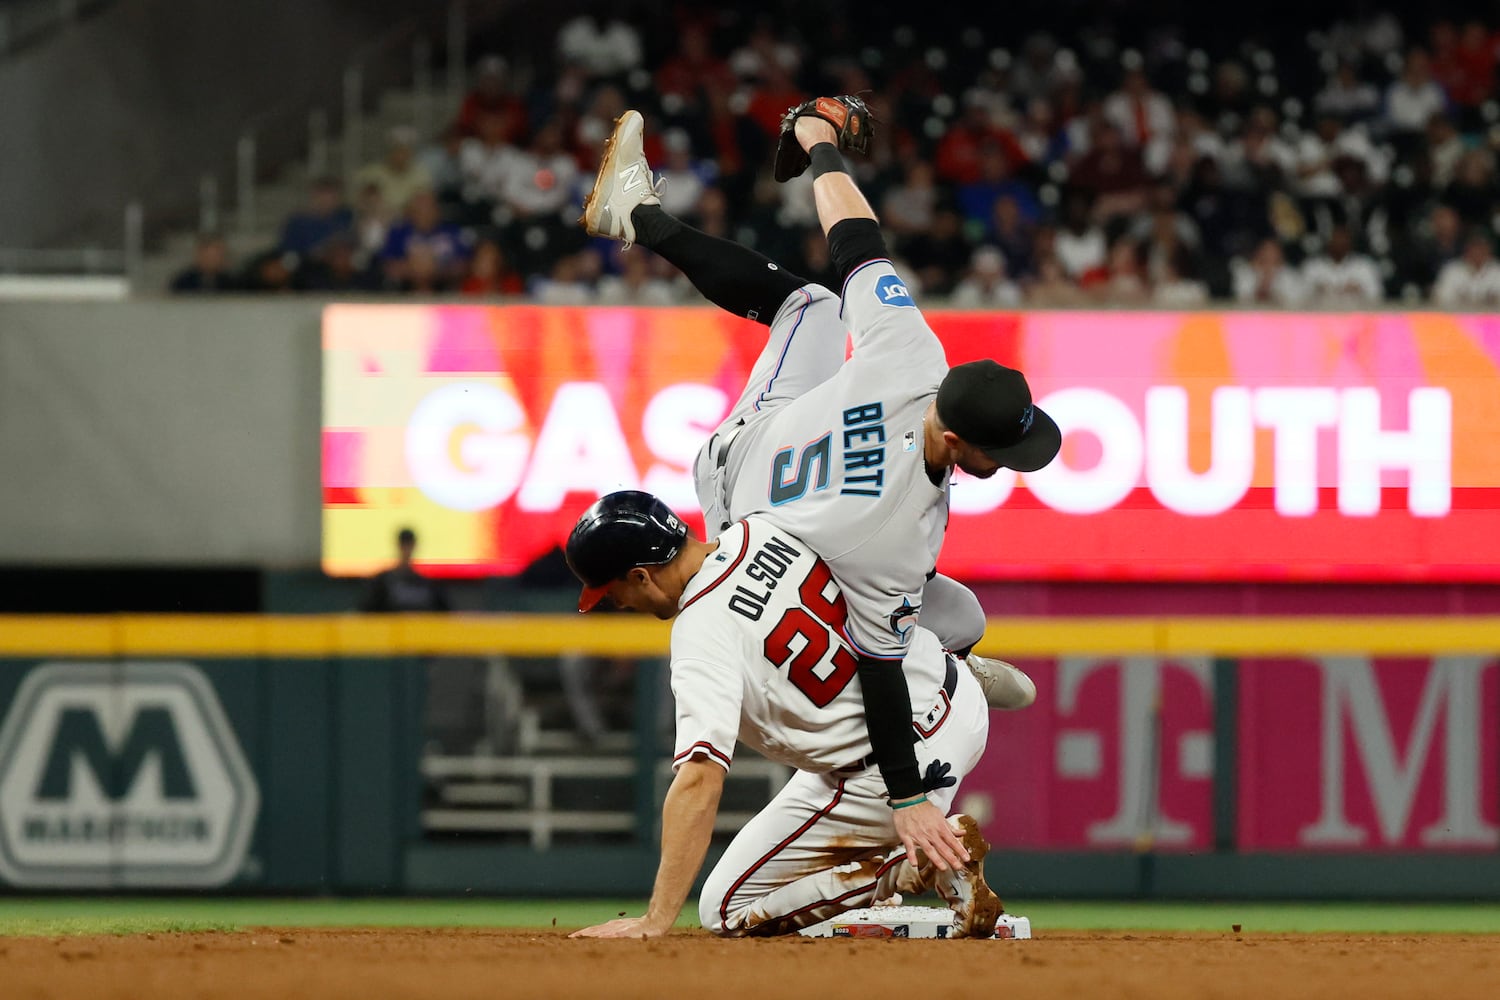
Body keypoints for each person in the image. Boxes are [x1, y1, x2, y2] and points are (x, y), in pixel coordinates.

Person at [580, 103, 1058, 867]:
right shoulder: (891, 531)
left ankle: (640, 216)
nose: (1013, 461)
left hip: (764, 447)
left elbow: (855, 238)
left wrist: (820, 145)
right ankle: (944, 676)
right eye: (1003, 451)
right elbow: (874, 670)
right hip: (755, 514)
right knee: (912, 626)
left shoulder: (914, 352)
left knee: (814, 303)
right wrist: (906, 796)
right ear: (962, 441)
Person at [564, 491, 1000, 939]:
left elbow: (699, 777)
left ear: (640, 576)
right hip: (953, 696)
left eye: (614, 595)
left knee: (727, 908)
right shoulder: (768, 527)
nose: (618, 606)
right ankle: (968, 668)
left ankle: (915, 864)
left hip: (891, 769)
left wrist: (656, 919)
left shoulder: (699, 634)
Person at [359, 528, 450, 613]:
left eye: (409, 545)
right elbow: (366, 613)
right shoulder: (382, 582)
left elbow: (447, 614)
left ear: (414, 546)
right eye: (404, 544)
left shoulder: (427, 584)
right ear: (398, 546)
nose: (407, 549)